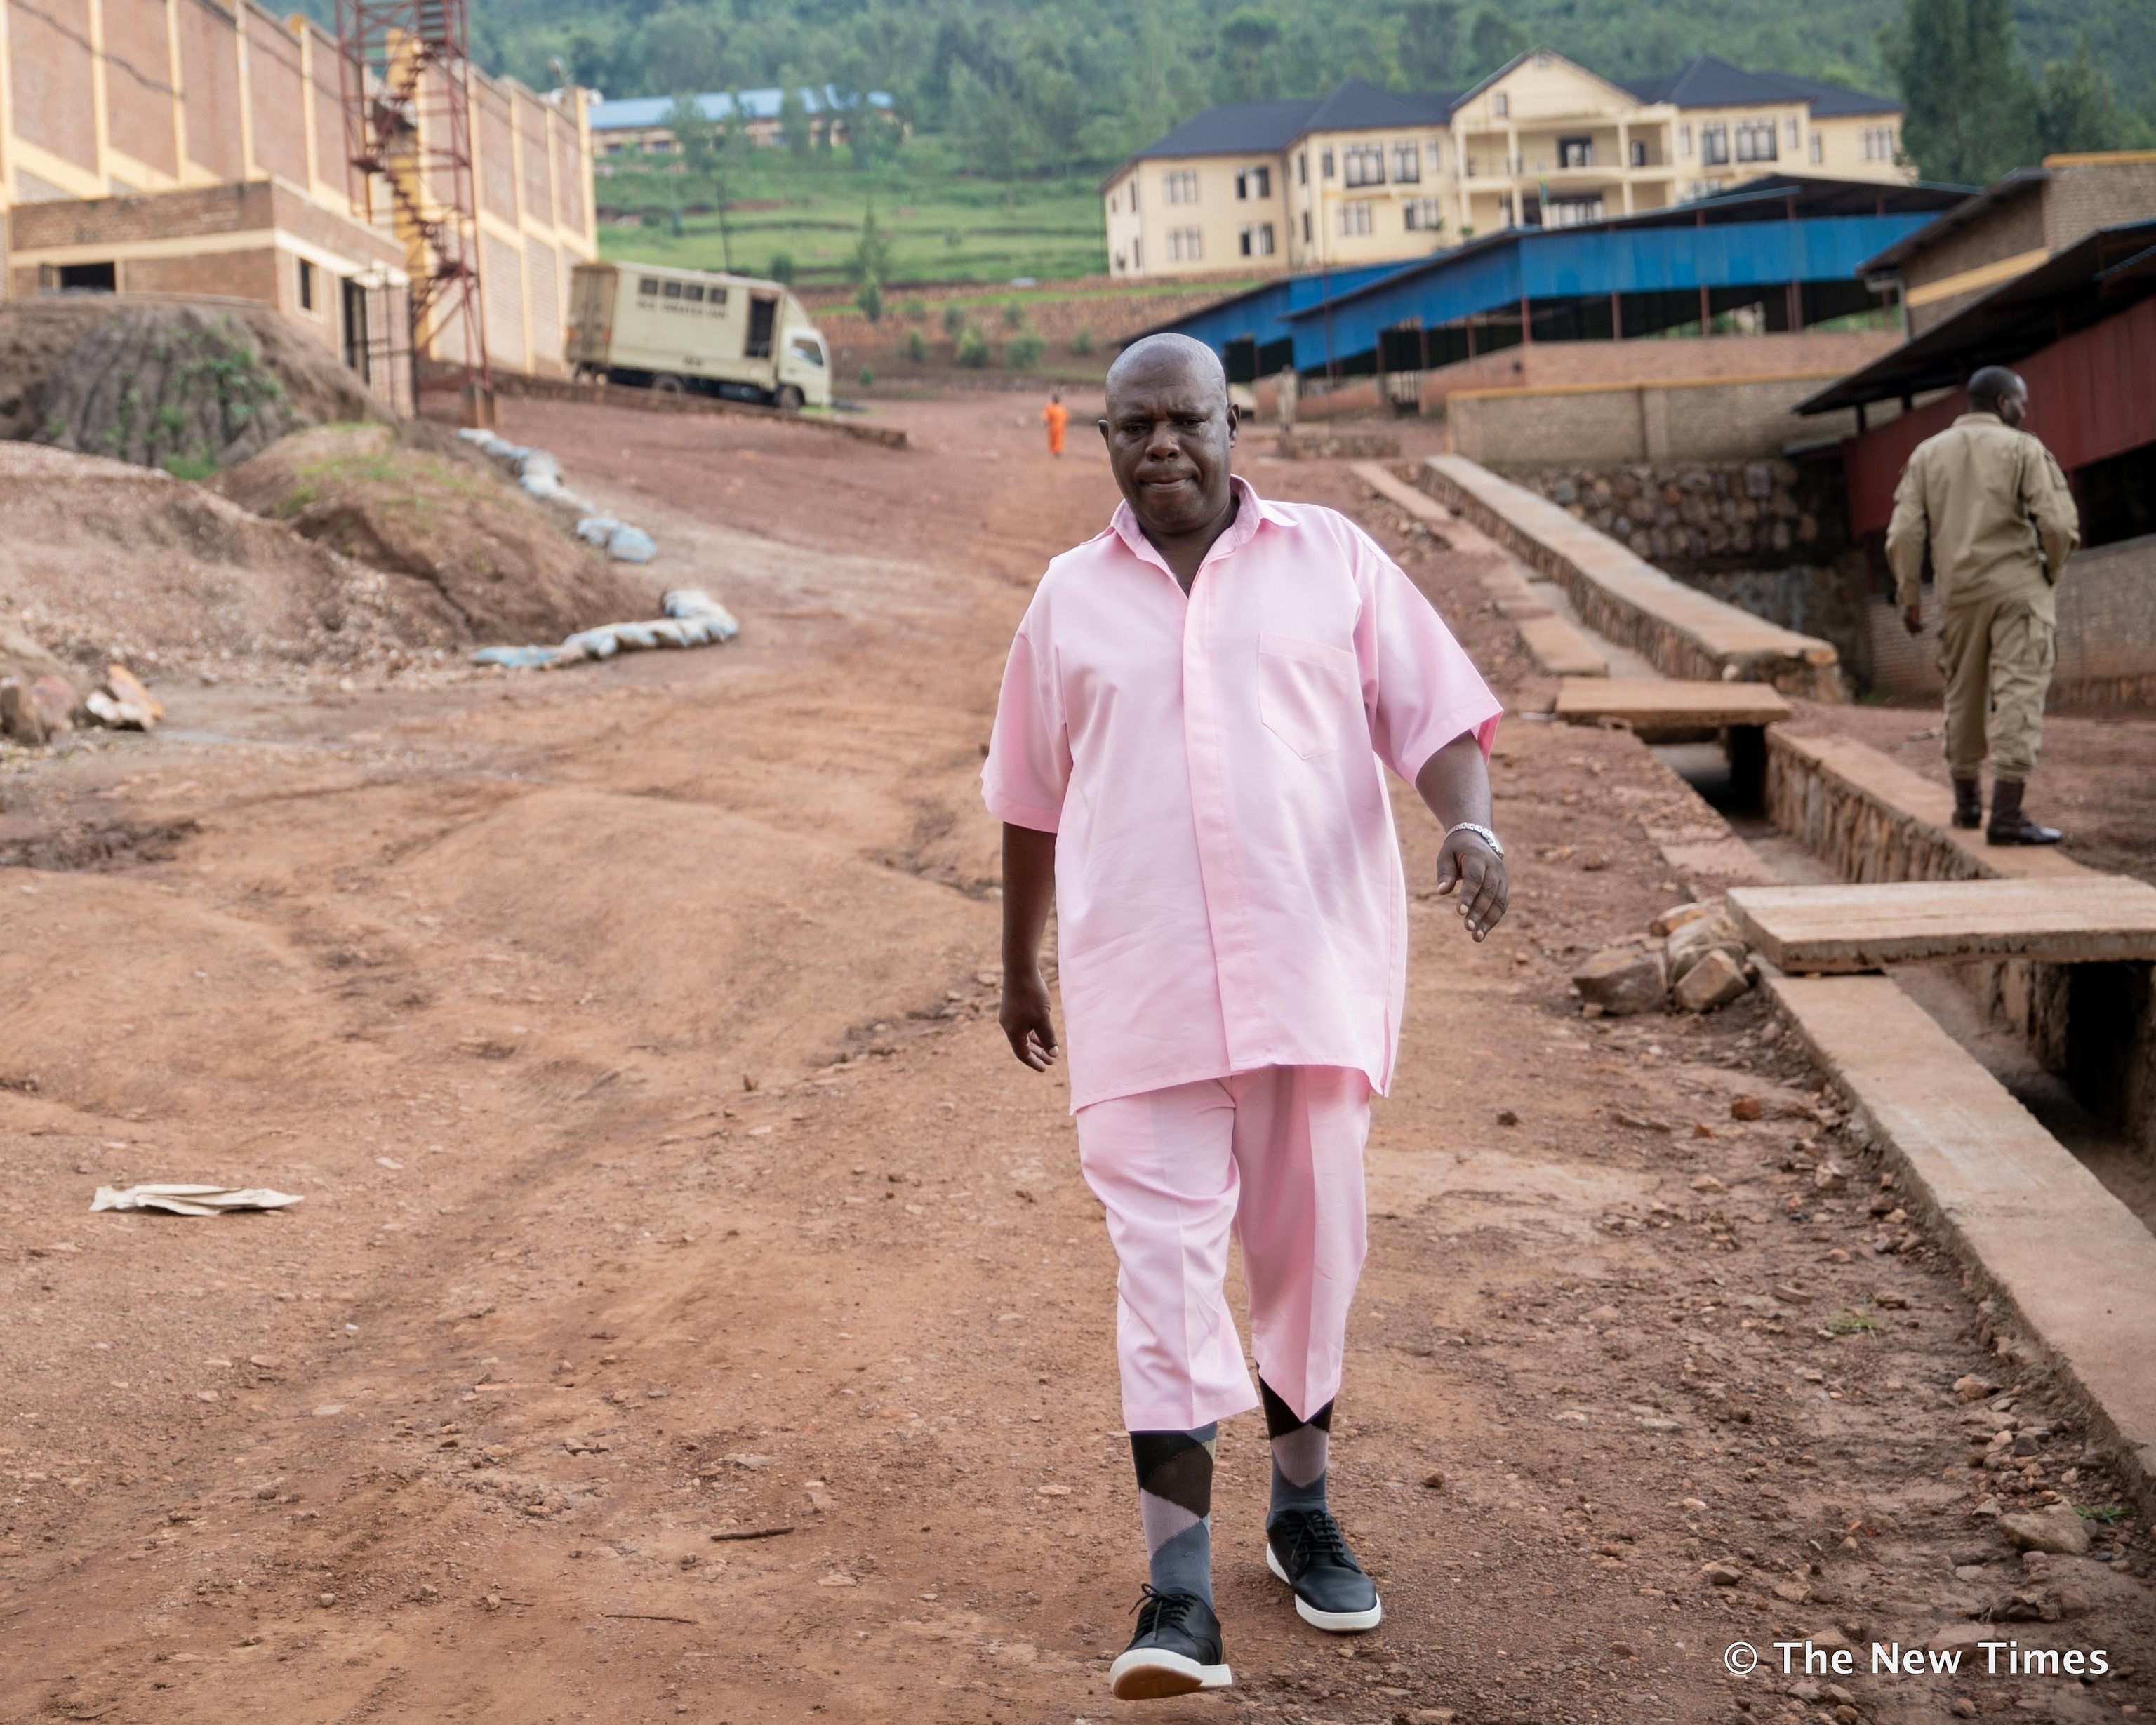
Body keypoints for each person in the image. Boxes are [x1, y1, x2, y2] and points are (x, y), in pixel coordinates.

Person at [983, 333, 1506, 1701]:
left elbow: (1432, 712)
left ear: (1234, 421)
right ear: (1102, 439)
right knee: (1161, 1271)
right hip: (1138, 988)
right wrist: (1018, 965)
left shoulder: (1331, 558)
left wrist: (1473, 828)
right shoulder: (1066, 599)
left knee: (1307, 1257)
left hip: (1309, 980)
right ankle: (1177, 1591)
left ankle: (1302, 1507)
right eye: (1132, 427)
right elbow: (1029, 797)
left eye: (1184, 421)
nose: (1160, 447)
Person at [1886, 365, 2080, 844]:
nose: (2025, 410)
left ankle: (1968, 806)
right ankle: (2008, 816)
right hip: (2018, 589)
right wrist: (2050, 571)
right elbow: (2056, 524)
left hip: (1958, 594)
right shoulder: (2022, 448)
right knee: (2019, 691)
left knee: (1963, 694)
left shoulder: (1926, 455)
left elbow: (1905, 532)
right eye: (2022, 401)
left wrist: (1910, 597)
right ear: (2002, 403)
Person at [1042, 389, 1069, 458]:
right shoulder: (1050, 407)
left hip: (1060, 427)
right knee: (1053, 439)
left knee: (1059, 439)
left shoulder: (1061, 408)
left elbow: (1065, 417)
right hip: (1053, 426)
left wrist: (1064, 423)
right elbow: (1046, 416)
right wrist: (1045, 422)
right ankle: (1054, 451)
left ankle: (1058, 451)